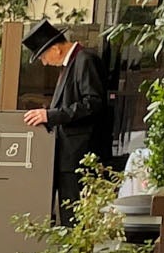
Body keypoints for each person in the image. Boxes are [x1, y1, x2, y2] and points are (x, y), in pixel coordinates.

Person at [21, 18, 112, 221]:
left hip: (80, 153)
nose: (44, 63)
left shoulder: (85, 60)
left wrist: (50, 115)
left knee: (74, 215)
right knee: (68, 213)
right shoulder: (74, 62)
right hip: (70, 153)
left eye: (43, 57)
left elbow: (93, 104)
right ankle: (71, 252)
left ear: (55, 49)